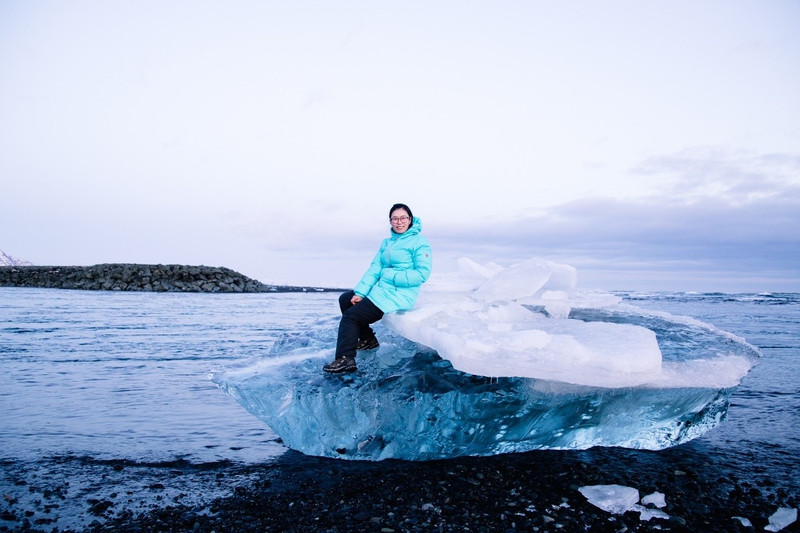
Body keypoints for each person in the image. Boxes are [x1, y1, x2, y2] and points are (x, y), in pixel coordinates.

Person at [323, 203, 432, 373]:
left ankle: (345, 359)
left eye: (403, 218)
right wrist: (360, 293)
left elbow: (422, 274)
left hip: (400, 294)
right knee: (346, 299)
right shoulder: (387, 243)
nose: (399, 222)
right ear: (390, 222)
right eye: (395, 218)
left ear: (410, 220)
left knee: (351, 317)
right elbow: (374, 269)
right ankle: (368, 340)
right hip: (383, 291)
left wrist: (390, 276)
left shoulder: (419, 242)